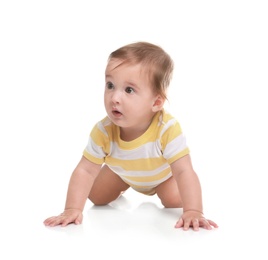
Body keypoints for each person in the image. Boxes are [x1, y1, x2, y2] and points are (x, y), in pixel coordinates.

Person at [43, 41, 218, 231]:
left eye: (129, 90)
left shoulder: (167, 128)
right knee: (96, 197)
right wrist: (72, 208)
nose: (114, 98)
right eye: (110, 85)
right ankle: (124, 184)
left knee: (174, 202)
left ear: (156, 102)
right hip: (121, 172)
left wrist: (194, 210)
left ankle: (175, 198)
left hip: (162, 177)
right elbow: (85, 171)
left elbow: (184, 171)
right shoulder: (103, 131)